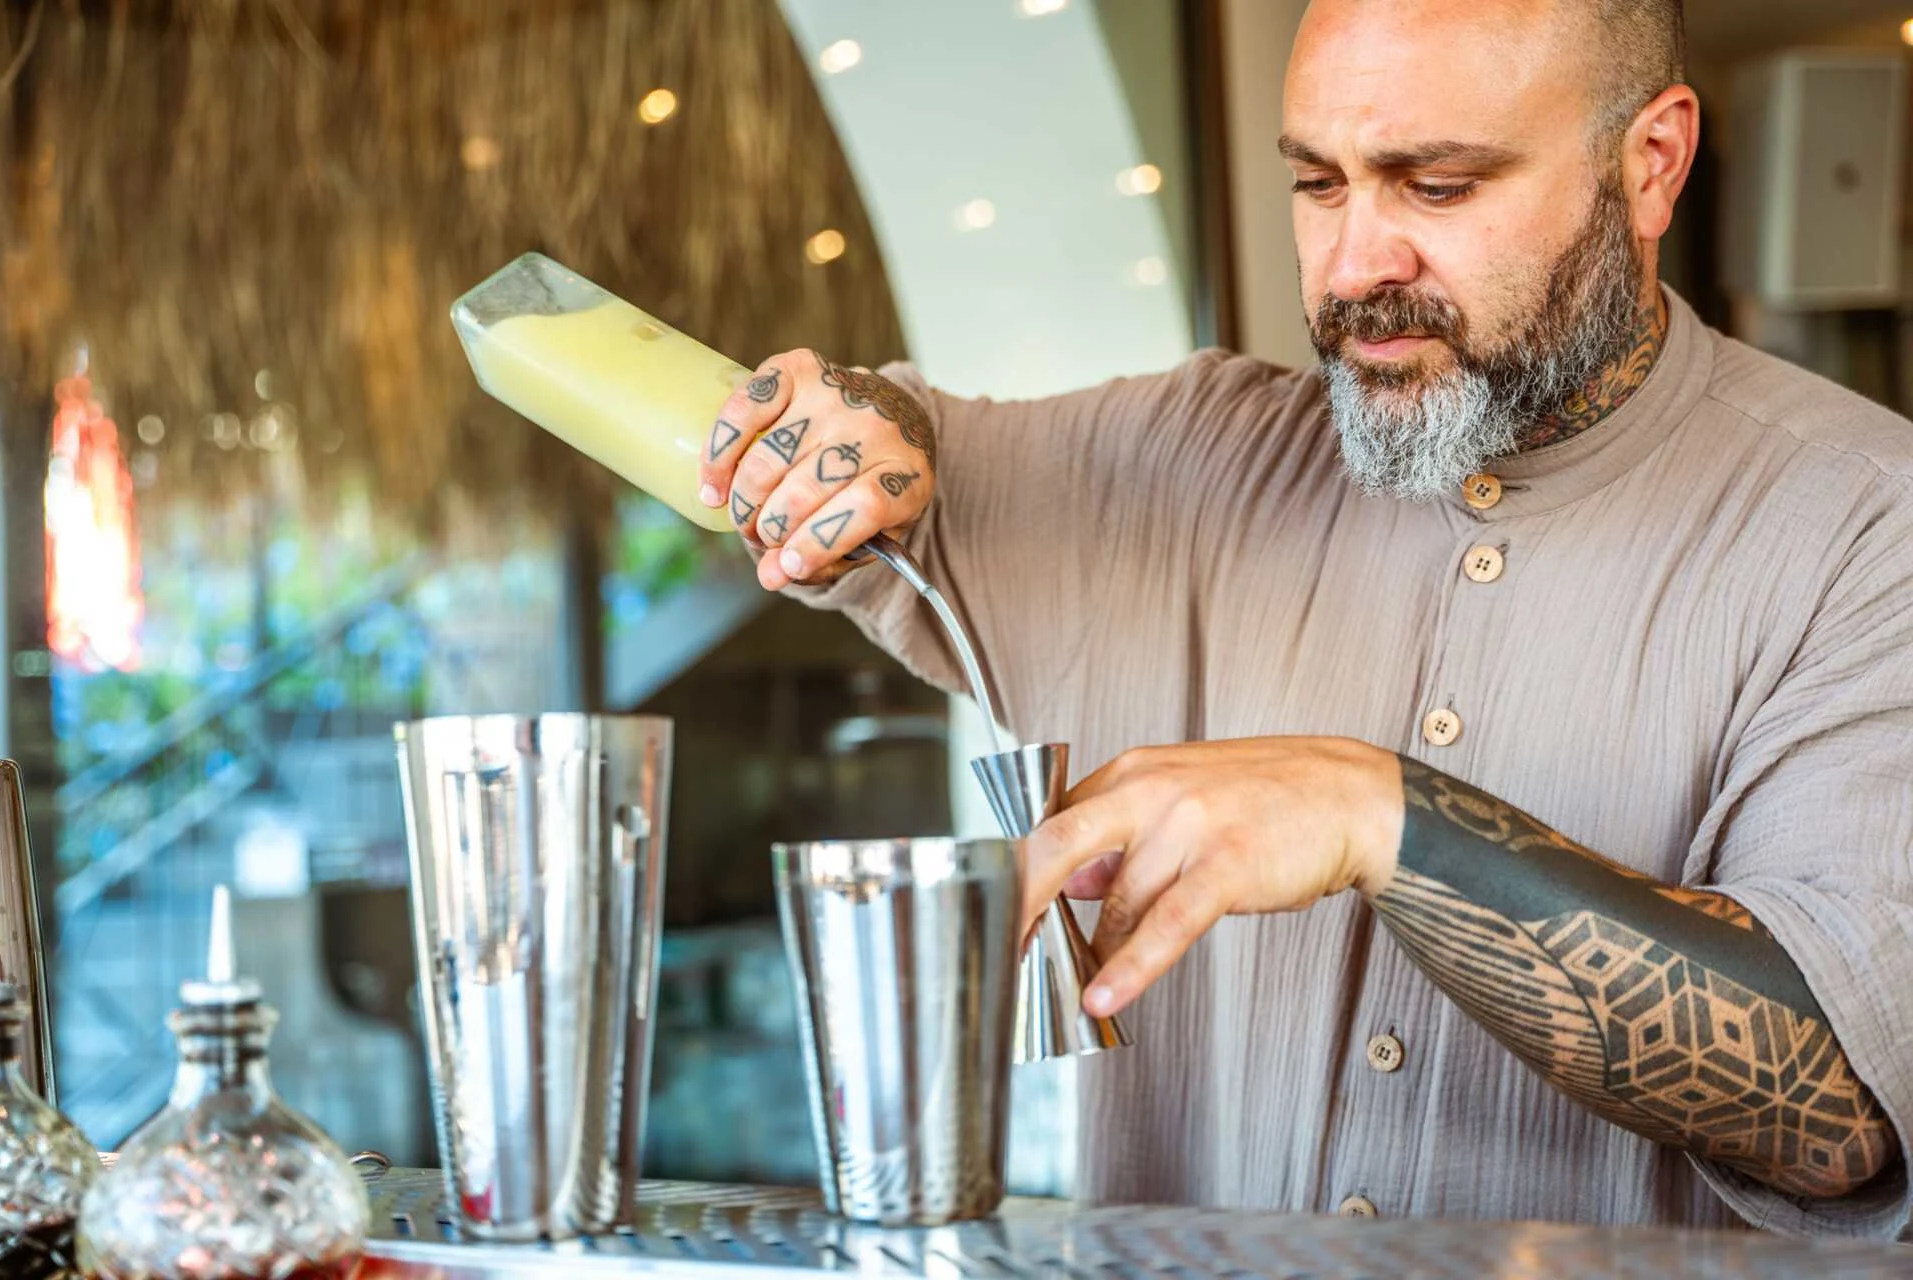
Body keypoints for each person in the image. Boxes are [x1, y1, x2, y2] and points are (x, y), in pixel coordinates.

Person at [697, 0, 1911, 1239]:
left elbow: (1839, 1106)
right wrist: (847, 426)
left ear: (1650, 162)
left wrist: (1380, 812)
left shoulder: (1870, 528)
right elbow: (904, 447)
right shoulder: (1187, 458)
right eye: (1318, 184)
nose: (1353, 266)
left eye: (1437, 186)